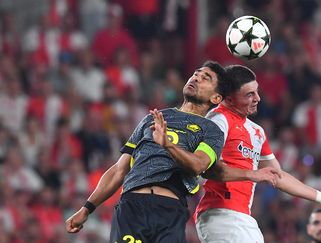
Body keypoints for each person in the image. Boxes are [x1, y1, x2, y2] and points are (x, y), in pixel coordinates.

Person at [65, 61, 279, 243]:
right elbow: (119, 170)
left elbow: (199, 165)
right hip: (132, 207)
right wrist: (87, 208)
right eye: (196, 74)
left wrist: (167, 144)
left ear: (215, 98)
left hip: (169, 210)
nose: (196, 78)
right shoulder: (153, 118)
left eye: (206, 78)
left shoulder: (211, 130)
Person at [195, 64, 321, 243]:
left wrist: (320, 196)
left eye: (257, 91)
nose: (258, 98)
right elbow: (206, 167)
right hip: (220, 214)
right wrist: (252, 174)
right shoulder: (219, 120)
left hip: (242, 218)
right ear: (229, 98)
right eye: (249, 94)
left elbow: (277, 176)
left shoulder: (256, 131)